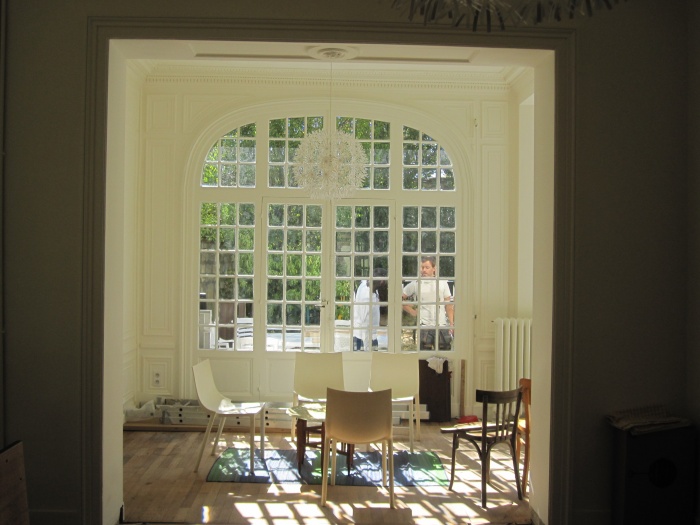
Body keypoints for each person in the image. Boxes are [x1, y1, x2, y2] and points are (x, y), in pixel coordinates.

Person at [402, 256, 454, 350]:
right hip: (424, 327)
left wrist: (451, 323)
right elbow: (400, 298)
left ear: (434, 268)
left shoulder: (442, 283)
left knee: (444, 355)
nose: (424, 270)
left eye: (427, 267)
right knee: (424, 356)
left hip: (441, 325)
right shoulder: (416, 284)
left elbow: (448, 305)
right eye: (422, 267)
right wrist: (412, 311)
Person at [353, 268, 387, 351]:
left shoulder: (368, 285)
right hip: (363, 337)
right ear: (381, 281)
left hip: (370, 333)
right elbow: (363, 320)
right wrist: (366, 346)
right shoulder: (367, 296)